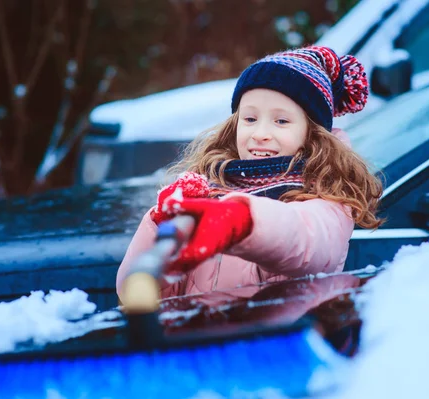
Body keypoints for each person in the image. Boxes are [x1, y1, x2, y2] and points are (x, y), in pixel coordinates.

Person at [116, 45, 383, 301]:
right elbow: (134, 292)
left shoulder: (324, 198)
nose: (260, 134)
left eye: (281, 121)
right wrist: (160, 225)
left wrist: (243, 220)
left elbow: (308, 242)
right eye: (250, 119)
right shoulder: (213, 186)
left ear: (312, 133)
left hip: (271, 342)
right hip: (200, 343)